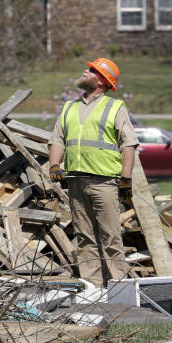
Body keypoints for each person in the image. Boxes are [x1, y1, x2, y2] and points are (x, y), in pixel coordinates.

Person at [46, 58, 138, 288]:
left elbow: (129, 144)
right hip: (76, 181)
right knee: (85, 237)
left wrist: (126, 179)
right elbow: (57, 139)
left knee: (111, 237)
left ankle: (118, 287)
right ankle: (92, 287)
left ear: (101, 80)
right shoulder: (69, 107)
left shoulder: (114, 107)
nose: (84, 71)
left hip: (104, 182)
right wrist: (54, 165)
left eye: (90, 70)